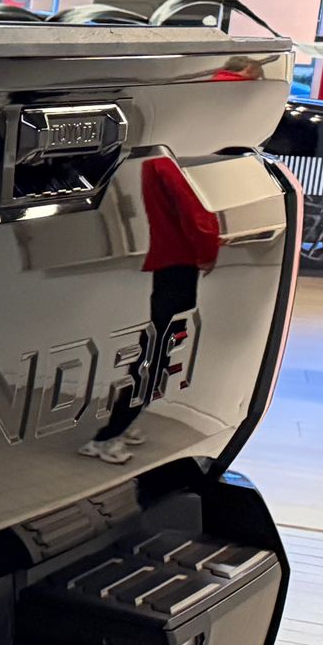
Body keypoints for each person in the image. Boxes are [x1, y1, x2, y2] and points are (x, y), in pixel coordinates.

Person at [83, 157, 221, 463]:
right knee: (158, 354)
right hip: (179, 266)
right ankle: (108, 437)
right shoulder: (164, 162)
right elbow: (193, 210)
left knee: (158, 349)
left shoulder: (155, 161)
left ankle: (123, 423)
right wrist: (208, 249)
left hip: (171, 263)